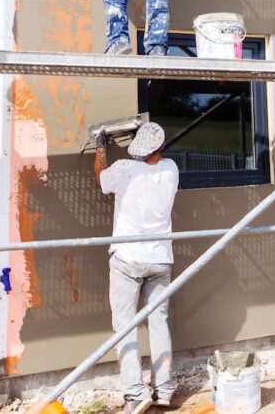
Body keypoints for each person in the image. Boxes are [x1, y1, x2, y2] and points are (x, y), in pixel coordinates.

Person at [93, 122, 179, 413]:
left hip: (128, 260)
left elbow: (100, 179)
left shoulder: (124, 169)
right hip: (160, 260)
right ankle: (164, 389)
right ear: (161, 147)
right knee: (158, 324)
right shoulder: (171, 170)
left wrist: (100, 147)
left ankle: (135, 393)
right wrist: (145, 130)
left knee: (125, 327)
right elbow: (155, 154)